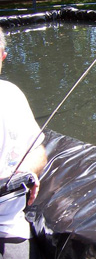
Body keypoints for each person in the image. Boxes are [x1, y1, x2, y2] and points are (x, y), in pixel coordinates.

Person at [0, 27, 47, 258]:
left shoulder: (11, 94)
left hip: (12, 228)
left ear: (2, 56)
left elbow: (38, 150)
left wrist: (26, 171)